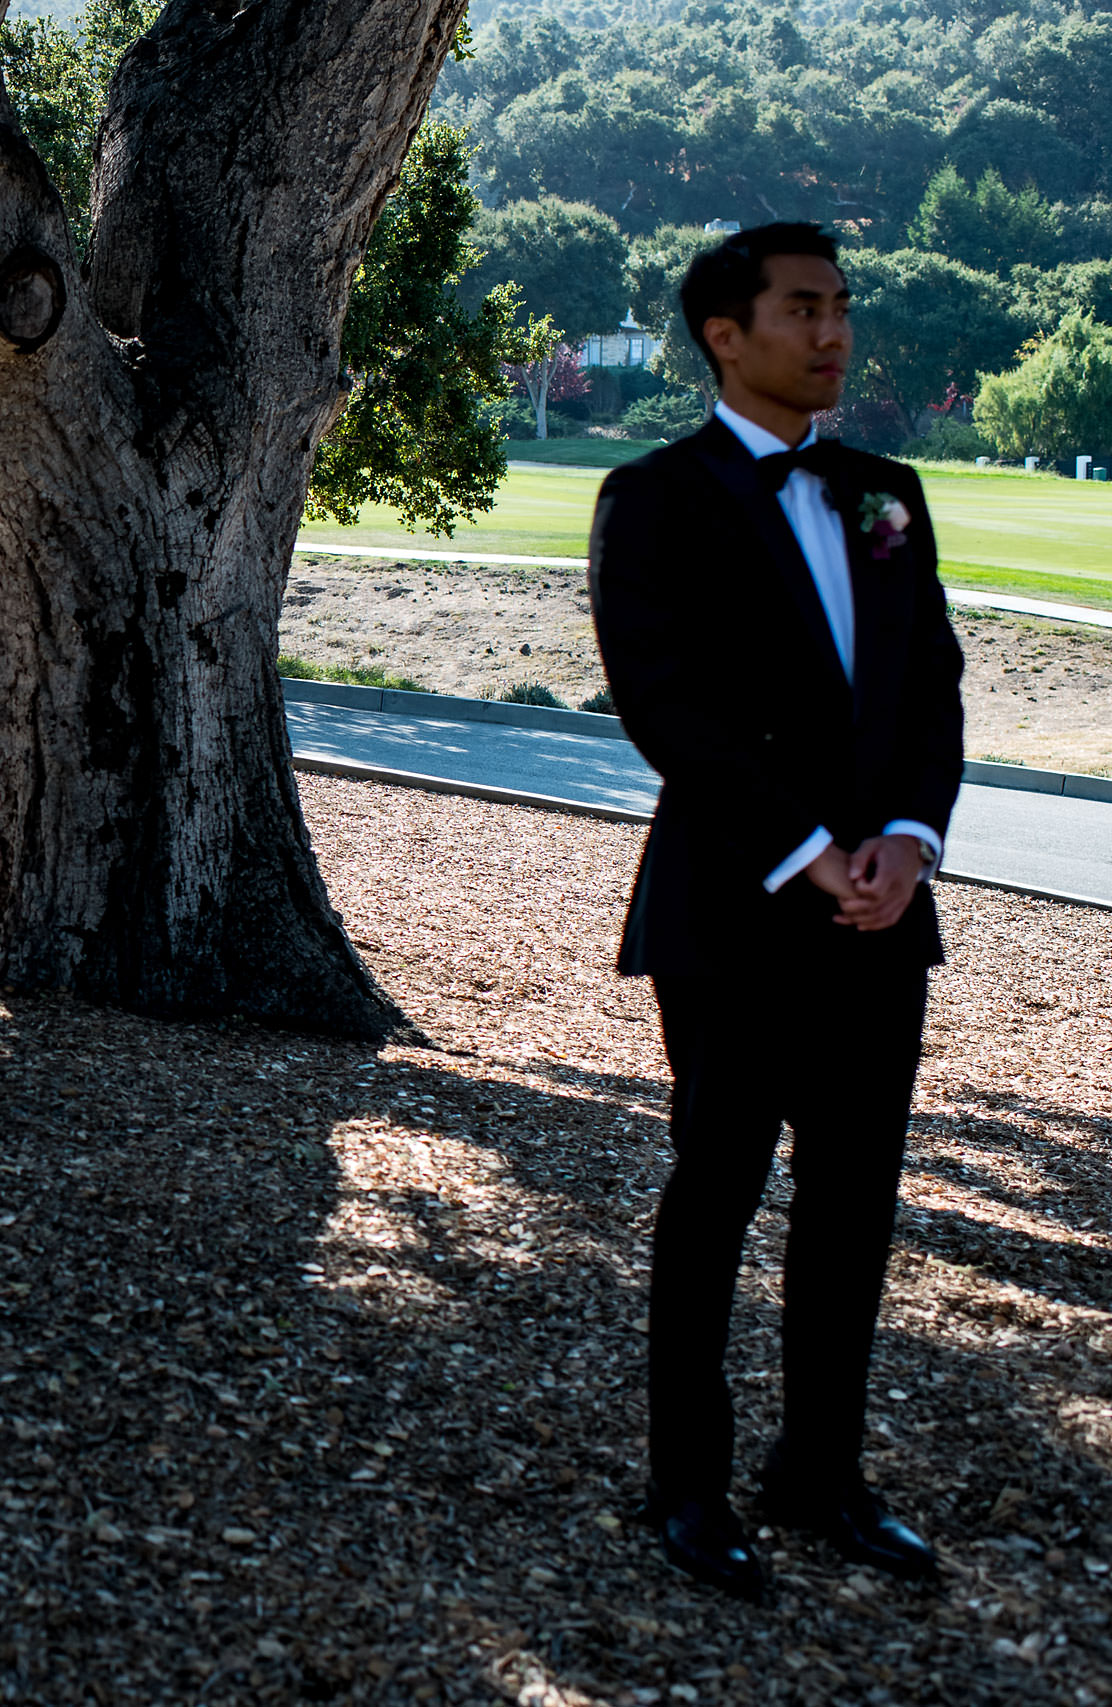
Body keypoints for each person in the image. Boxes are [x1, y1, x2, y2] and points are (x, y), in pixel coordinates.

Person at [587, 222, 964, 1601]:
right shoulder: (652, 495)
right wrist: (811, 850)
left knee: (856, 1201)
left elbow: (933, 687)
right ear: (724, 334)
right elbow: (665, 704)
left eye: (842, 308)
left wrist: (912, 843)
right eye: (804, 309)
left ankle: (822, 1474)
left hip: (885, 917)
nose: (834, 333)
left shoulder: (889, 492)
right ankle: (688, 1482)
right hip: (737, 908)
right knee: (719, 1189)